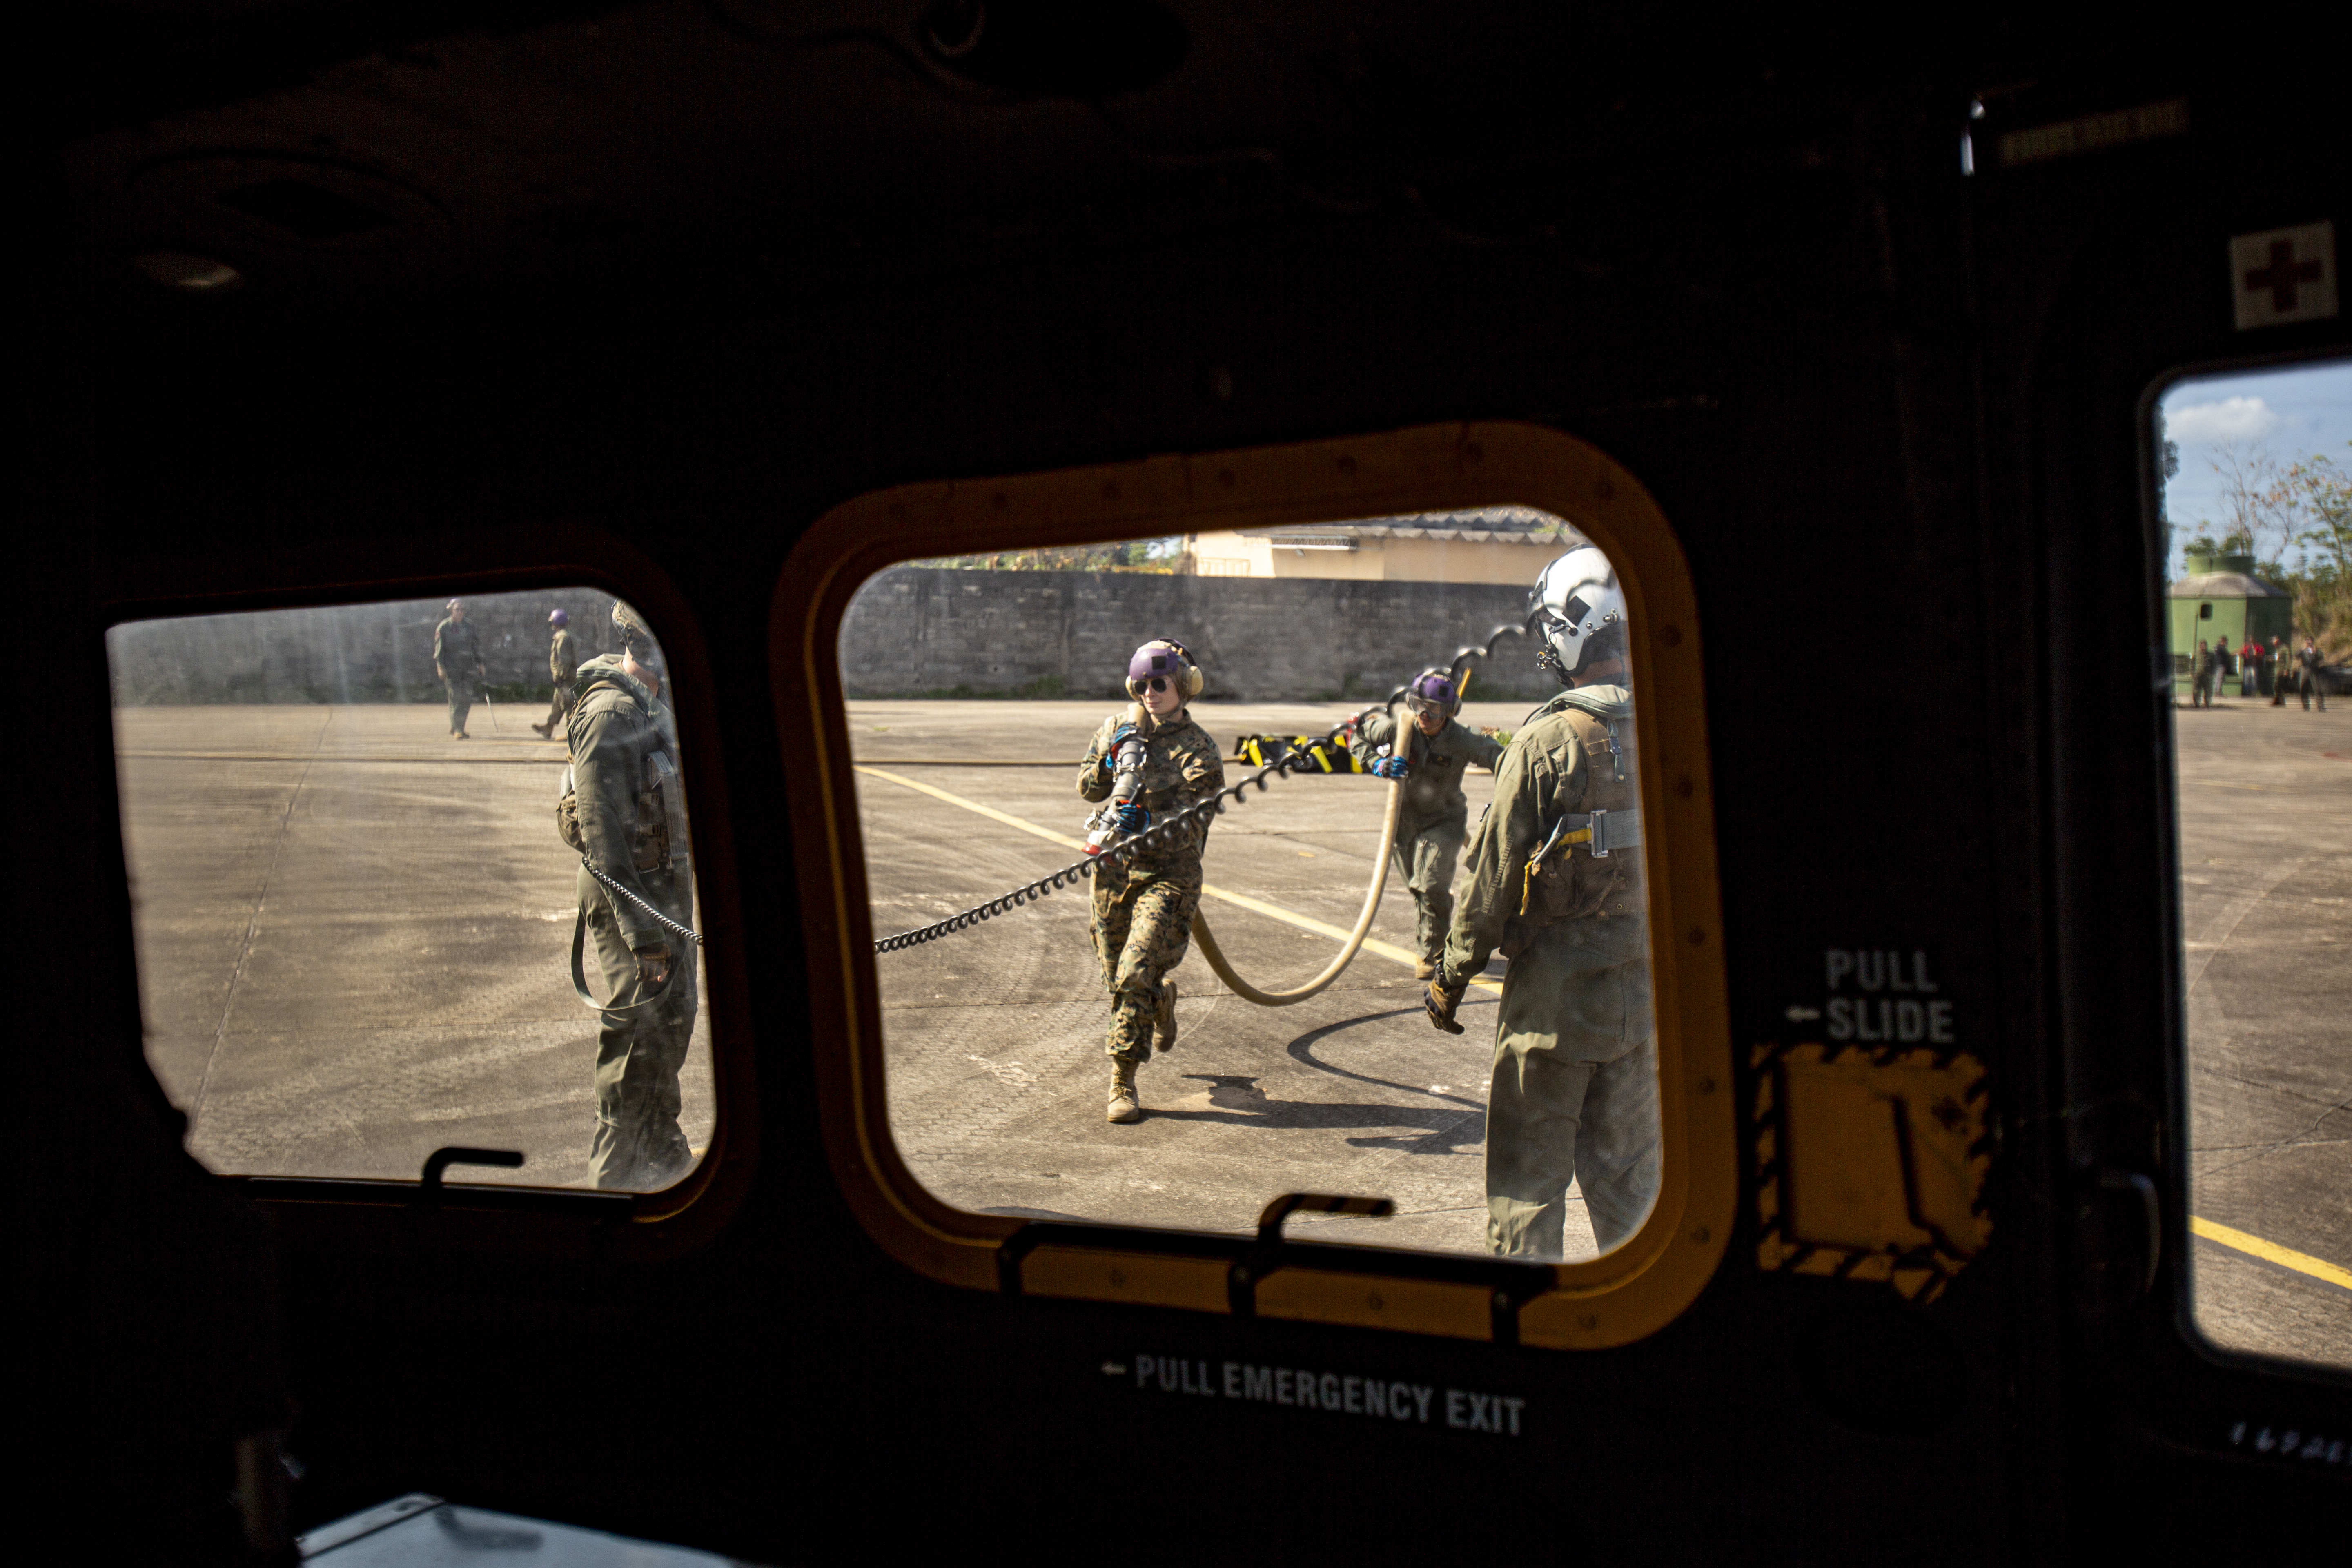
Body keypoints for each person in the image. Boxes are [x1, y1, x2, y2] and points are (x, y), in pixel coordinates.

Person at [1425, 546, 1658, 1259]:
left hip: (1552, 1008)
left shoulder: (1546, 741)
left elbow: (1490, 883)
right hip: (1645, 1003)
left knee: (1528, 1189)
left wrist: (1450, 976)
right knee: (1632, 1188)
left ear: (1565, 634)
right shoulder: (1672, 726)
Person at [566, 600, 697, 1189]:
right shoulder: (610, 714)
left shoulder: (654, 710)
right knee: (633, 1048)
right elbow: (601, 835)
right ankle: (612, 1183)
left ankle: (663, 1161)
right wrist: (642, 934)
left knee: (672, 1024)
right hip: (631, 904)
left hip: (665, 897)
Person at [1076, 639, 1225, 1124]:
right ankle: (1161, 1003)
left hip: (1168, 876)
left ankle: (1122, 1081)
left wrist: (1150, 816)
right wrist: (1112, 757)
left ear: (1183, 686)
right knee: (1118, 981)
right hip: (1114, 874)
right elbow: (1087, 788)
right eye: (1141, 684)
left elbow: (1196, 823)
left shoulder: (1199, 749)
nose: (1149, 692)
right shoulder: (1116, 727)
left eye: (1159, 683)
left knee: (1136, 970)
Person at [1350, 668, 1506, 979]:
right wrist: (1376, 763)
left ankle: (1432, 954)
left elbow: (1502, 759)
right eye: (1419, 704)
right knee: (1418, 888)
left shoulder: (1462, 740)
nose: (1425, 714)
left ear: (1449, 712)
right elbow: (1356, 736)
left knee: (1431, 884)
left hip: (1444, 821)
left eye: (1434, 709)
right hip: (1403, 821)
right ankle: (1438, 941)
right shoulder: (1399, 728)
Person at [432, 598, 486, 738]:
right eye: (458, 610)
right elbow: (439, 651)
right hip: (452, 669)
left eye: (463, 610)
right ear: (451, 610)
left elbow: (476, 647)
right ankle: (459, 730)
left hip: (468, 668)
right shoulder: (444, 627)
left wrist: (480, 664)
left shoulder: (469, 626)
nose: (461, 612)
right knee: (455, 698)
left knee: (467, 699)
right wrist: (440, 667)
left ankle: (457, 726)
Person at [532, 608, 578, 739]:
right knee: (557, 703)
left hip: (565, 678)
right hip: (564, 677)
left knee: (569, 704)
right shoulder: (563, 635)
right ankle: (549, 728)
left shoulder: (563, 638)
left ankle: (571, 732)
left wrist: (559, 676)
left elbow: (564, 660)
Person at [2297, 636, 2328, 710]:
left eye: (2310, 640)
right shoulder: (2303, 650)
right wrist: (2302, 649)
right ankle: (2306, 706)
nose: (2309, 642)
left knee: (2317, 688)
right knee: (2303, 688)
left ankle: (2321, 706)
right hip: (2305, 669)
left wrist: (2315, 651)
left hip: (2314, 670)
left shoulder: (2316, 650)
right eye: (2307, 640)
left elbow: (2321, 658)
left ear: (2313, 641)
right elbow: (2297, 656)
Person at [2190, 639, 2213, 708]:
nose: (2203, 647)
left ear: (2206, 646)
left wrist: (2212, 673)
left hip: (2207, 676)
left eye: (2204, 646)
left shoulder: (2211, 655)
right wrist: (2192, 673)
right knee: (2196, 690)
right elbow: (2192, 664)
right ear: (2200, 647)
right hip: (2198, 675)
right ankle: (2197, 704)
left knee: (2208, 690)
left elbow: (2215, 664)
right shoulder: (2196, 654)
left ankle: (2208, 703)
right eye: (2202, 646)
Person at [2270, 635, 2288, 706]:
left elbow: (2288, 659)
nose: (2274, 645)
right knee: (2277, 685)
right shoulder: (2277, 649)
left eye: (2276, 643)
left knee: (2278, 684)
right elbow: (2277, 658)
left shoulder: (2284, 648)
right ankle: (2278, 700)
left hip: (2282, 669)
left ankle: (2280, 700)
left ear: (2278, 641)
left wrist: (2286, 670)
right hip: (2276, 669)